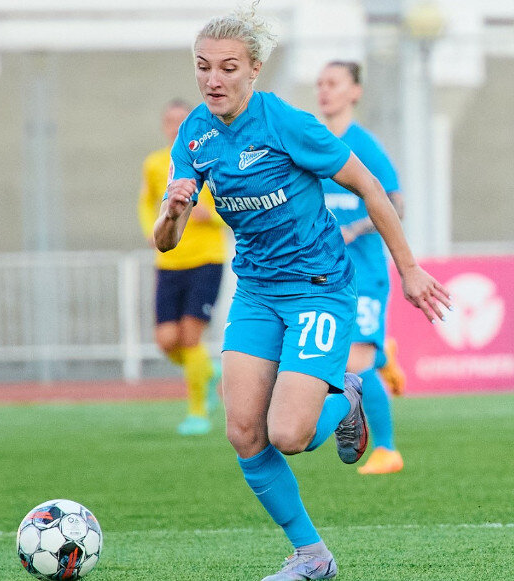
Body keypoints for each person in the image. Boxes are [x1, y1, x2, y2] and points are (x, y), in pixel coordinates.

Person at [153, 4, 451, 579]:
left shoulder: (287, 123)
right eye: (203, 67)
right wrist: (173, 210)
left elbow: (370, 187)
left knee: (289, 434)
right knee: (244, 432)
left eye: (228, 68)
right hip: (256, 293)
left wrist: (410, 270)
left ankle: (350, 394)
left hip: (318, 288)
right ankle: (312, 556)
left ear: (254, 70)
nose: (213, 79)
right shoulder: (193, 133)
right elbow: (166, 242)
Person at [316, 60, 405, 475]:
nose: (324, 90)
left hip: (364, 274)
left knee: (355, 362)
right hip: (323, 276)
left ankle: (387, 450)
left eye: (334, 83)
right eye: (320, 83)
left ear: (355, 92)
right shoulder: (314, 144)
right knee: (333, 363)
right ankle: (383, 357)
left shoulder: (363, 145)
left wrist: (355, 227)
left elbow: (396, 205)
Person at [137, 99, 227, 436]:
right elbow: (146, 203)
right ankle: (206, 371)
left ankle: (198, 412)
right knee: (166, 340)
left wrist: (210, 216)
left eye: (182, 120)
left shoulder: (213, 158)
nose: (175, 126)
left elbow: (235, 209)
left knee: (190, 337)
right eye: (170, 120)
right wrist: (151, 230)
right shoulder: (155, 164)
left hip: (206, 259)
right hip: (169, 261)